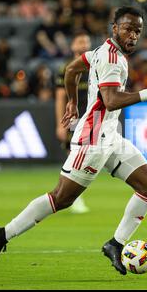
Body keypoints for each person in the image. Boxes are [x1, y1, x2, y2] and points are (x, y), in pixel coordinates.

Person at [0, 6, 147, 275]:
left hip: (110, 137)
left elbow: (71, 69)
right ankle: (2, 234)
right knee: (61, 199)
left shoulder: (102, 52)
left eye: (138, 30)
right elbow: (110, 101)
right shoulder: (111, 58)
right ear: (114, 28)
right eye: (128, 28)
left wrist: (74, 103)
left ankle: (115, 244)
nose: (133, 35)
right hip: (93, 140)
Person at [55, 31, 92, 214]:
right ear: (72, 46)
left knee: (86, 158)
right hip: (74, 119)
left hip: (93, 118)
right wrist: (59, 123)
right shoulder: (67, 69)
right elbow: (60, 97)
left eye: (86, 41)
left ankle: (69, 194)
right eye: (80, 41)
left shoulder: (95, 66)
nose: (84, 44)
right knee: (74, 157)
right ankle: (73, 196)